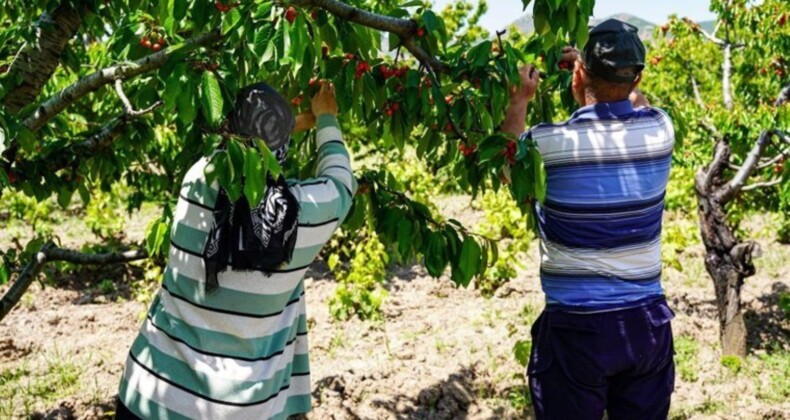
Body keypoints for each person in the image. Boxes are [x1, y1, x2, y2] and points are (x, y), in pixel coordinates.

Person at [116, 81, 356, 419]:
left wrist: (285, 123)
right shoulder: (302, 217)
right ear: (281, 148)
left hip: (148, 396)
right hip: (240, 411)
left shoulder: (198, 180)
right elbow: (341, 182)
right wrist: (326, 119)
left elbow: (238, 152)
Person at [502, 19, 676, 419]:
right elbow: (637, 101)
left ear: (579, 74)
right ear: (638, 76)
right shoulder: (660, 131)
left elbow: (508, 166)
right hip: (646, 326)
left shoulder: (547, 144)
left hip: (576, 332)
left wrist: (519, 100)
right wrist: (597, 75)